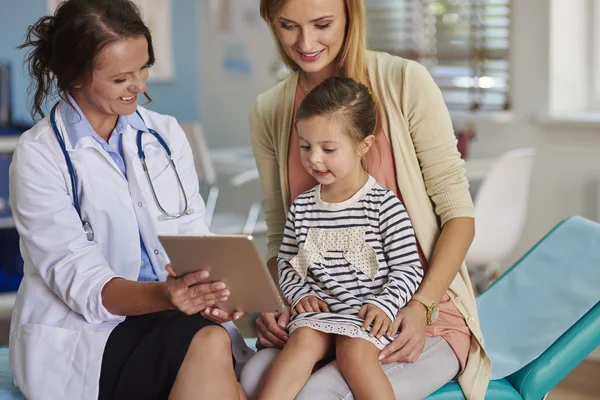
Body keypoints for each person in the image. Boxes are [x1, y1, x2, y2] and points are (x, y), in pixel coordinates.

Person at [240, 0, 490, 399]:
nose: (305, 42)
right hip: (322, 313)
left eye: (322, 24)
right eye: (288, 26)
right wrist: (281, 297)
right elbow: (280, 237)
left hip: (416, 310)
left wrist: (420, 306)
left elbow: (458, 214)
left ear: (350, 15)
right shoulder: (268, 110)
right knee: (251, 381)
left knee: (322, 393)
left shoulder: (404, 81)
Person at [9, 1, 251, 399]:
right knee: (209, 346)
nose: (140, 86)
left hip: (174, 315)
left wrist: (208, 295)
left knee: (209, 338)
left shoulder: (166, 135)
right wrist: (169, 295)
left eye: (143, 68)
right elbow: (80, 281)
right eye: (122, 78)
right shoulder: (39, 155)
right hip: (90, 334)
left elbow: (191, 234)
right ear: (76, 76)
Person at [257, 77, 424, 400]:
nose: (314, 159)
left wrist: (383, 305)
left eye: (328, 149)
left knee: (354, 353)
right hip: (317, 314)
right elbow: (289, 265)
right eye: (305, 146)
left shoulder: (384, 205)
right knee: (302, 342)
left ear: (363, 145)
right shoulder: (303, 206)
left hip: (365, 314)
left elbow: (408, 269)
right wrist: (299, 294)